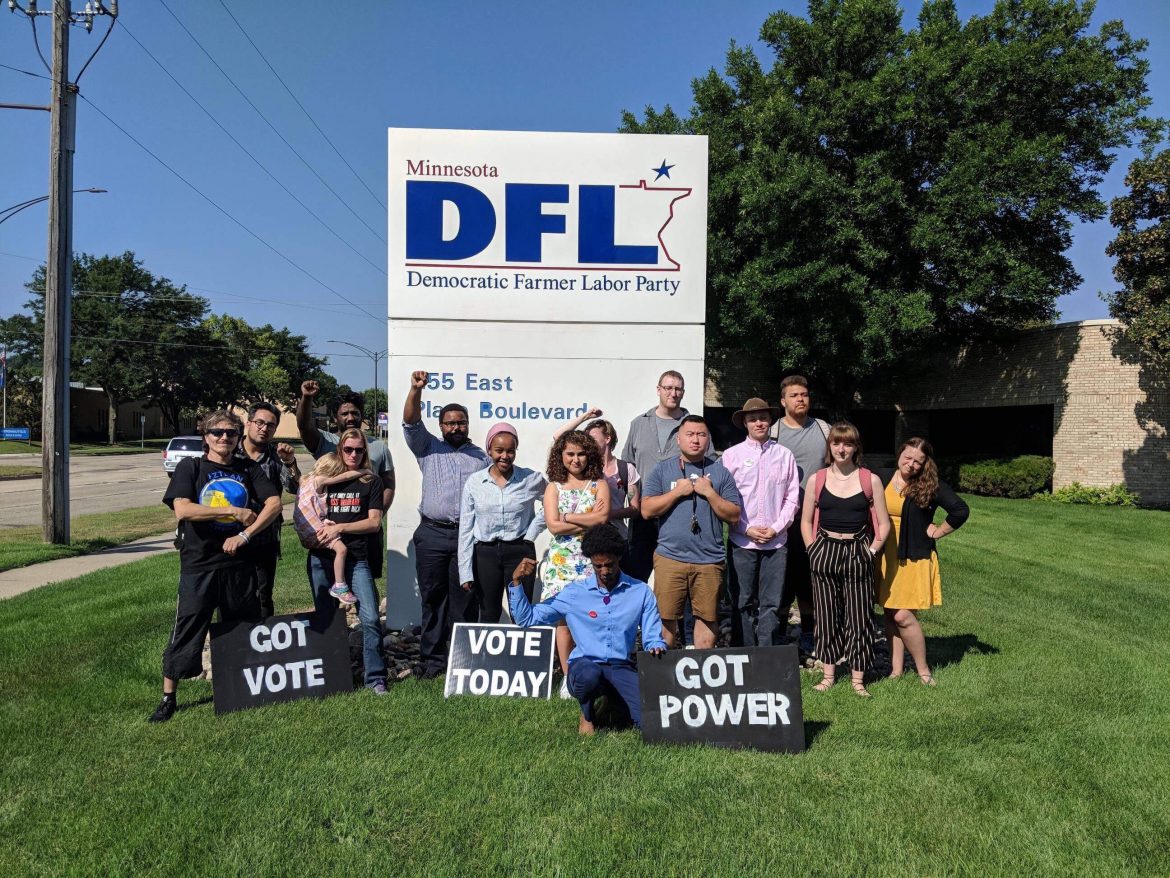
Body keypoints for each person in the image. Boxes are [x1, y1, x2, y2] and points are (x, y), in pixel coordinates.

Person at [150, 410, 282, 722]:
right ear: (205, 436)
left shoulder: (247, 468)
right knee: (188, 627)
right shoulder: (191, 467)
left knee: (241, 628)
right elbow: (183, 509)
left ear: (239, 437)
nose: (224, 438)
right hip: (200, 563)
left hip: (239, 564)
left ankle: (240, 688)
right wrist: (235, 512)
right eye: (217, 433)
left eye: (231, 433)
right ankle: (169, 697)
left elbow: (274, 503)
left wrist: (246, 535)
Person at [508, 525, 667, 734]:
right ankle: (588, 714)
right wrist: (517, 581)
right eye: (598, 565)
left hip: (621, 665)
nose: (604, 571)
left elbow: (652, 634)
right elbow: (526, 618)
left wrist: (656, 644)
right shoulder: (574, 593)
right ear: (590, 561)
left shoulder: (641, 592)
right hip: (585, 665)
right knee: (588, 677)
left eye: (609, 565)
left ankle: (613, 701)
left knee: (649, 725)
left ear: (619, 557)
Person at [402, 369, 490, 678]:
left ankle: (463, 662)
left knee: (465, 601)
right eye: (450, 422)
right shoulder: (427, 447)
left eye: (461, 422)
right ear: (441, 426)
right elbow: (411, 421)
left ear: (468, 425)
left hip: (468, 538)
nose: (455, 426)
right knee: (433, 599)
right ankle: (433, 663)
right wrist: (416, 390)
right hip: (432, 534)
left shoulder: (482, 458)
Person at [799, 421, 890, 697]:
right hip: (824, 549)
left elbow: (884, 525)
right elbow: (805, 521)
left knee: (859, 617)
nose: (841, 448)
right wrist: (812, 549)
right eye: (836, 443)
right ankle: (828, 675)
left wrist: (871, 551)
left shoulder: (869, 479)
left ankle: (857, 679)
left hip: (858, 551)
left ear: (855, 447)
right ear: (830, 446)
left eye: (847, 443)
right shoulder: (818, 479)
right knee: (826, 616)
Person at [640, 414, 741, 650]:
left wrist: (710, 493)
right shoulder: (662, 470)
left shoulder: (720, 473)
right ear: (678, 439)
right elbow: (646, 510)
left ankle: (700, 678)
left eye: (701, 435)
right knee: (665, 619)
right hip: (670, 557)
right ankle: (664, 677)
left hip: (709, 559)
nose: (695, 440)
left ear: (708, 440)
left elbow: (734, 515)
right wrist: (677, 492)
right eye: (690, 434)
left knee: (707, 619)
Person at [877, 438, 969, 686]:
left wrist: (938, 531)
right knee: (889, 613)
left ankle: (923, 670)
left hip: (914, 557)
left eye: (918, 461)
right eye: (908, 458)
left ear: (925, 463)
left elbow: (960, 510)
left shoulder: (929, 484)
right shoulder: (881, 476)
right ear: (899, 454)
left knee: (903, 616)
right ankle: (896, 670)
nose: (911, 464)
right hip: (885, 556)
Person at [305, 429, 388, 693]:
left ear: (366, 451)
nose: (354, 454)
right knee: (326, 618)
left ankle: (375, 677)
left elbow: (374, 522)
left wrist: (339, 529)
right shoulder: (327, 476)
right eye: (348, 449)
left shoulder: (370, 482)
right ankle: (332, 677)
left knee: (371, 618)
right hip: (321, 557)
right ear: (340, 450)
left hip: (356, 559)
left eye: (359, 450)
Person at [721, 398, 800, 648]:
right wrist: (746, 527)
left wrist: (776, 527)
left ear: (770, 421)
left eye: (763, 418)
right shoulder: (731, 456)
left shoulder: (785, 455)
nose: (759, 422)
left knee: (771, 603)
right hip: (742, 540)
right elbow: (725, 499)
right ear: (744, 422)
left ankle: (767, 654)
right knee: (742, 601)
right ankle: (743, 651)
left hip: (776, 543)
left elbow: (792, 497)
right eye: (753, 418)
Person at [296, 380, 395, 578]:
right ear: (335, 417)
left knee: (365, 580)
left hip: (364, 530)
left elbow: (389, 484)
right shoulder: (324, 441)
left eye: (355, 413)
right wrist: (307, 398)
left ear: (362, 415)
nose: (350, 417)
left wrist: (374, 517)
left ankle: (358, 609)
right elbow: (304, 426)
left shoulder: (378, 447)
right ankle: (338, 607)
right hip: (330, 527)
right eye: (344, 413)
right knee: (331, 581)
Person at [542, 431, 611, 694]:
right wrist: (586, 518)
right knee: (564, 621)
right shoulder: (553, 487)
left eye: (581, 454)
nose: (576, 459)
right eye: (570, 454)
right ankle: (569, 678)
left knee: (592, 618)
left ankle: (593, 672)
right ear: (561, 455)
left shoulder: (599, 484)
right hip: (561, 563)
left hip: (592, 559)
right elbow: (553, 526)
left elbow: (602, 519)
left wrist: (568, 516)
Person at [458, 422, 546, 623]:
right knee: (488, 613)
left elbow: (553, 502)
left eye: (510, 451)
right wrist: (465, 572)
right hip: (485, 554)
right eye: (499, 450)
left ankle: (521, 655)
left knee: (521, 613)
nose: (504, 456)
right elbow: (466, 528)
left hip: (520, 551)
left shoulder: (531, 479)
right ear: (489, 450)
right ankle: (488, 656)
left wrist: (532, 533)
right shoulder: (474, 482)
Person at [770, 375, 830, 654]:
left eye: (804, 394)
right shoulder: (772, 433)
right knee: (782, 577)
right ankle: (779, 633)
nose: (800, 399)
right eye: (794, 395)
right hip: (782, 518)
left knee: (809, 577)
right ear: (783, 401)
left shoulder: (823, 430)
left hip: (818, 517)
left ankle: (808, 631)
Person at [621, 370, 689, 581]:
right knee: (636, 573)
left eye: (678, 389)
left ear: (683, 392)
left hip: (679, 513)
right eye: (668, 388)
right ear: (658, 390)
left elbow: (708, 463)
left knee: (675, 577)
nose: (673, 393)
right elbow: (628, 467)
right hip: (643, 513)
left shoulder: (693, 425)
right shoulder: (639, 424)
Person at [236, 401, 300, 619]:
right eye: (259, 423)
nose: (264, 429)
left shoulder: (275, 456)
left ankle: (264, 643)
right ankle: (232, 643)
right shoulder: (230, 450)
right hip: (229, 533)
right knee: (230, 592)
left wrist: (290, 462)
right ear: (248, 423)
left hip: (265, 536)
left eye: (270, 426)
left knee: (263, 593)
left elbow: (294, 488)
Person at [293, 452, 372, 605]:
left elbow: (314, 508)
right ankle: (340, 585)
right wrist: (364, 471)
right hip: (314, 531)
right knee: (341, 549)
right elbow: (346, 477)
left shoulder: (305, 480)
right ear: (331, 470)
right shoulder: (319, 480)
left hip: (306, 530)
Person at [556, 409, 641, 539]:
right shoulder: (583, 466)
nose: (587, 443)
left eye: (592, 438)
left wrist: (605, 514)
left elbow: (634, 509)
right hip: (584, 536)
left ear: (607, 438)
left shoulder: (626, 469)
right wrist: (584, 417)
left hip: (616, 536)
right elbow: (559, 438)